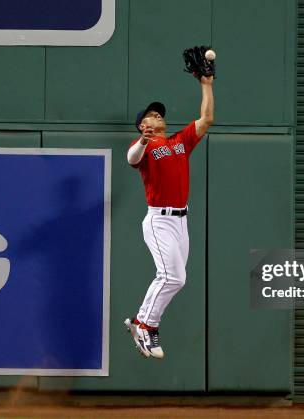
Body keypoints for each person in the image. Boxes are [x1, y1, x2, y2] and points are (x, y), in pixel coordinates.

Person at [124, 75, 214, 359]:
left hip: (180, 222)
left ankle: (145, 323)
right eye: (150, 115)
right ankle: (143, 324)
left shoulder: (179, 142)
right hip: (158, 220)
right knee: (172, 276)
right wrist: (141, 140)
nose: (156, 116)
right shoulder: (146, 146)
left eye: (159, 114)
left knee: (177, 279)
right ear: (142, 126)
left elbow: (207, 118)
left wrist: (206, 83)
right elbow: (131, 159)